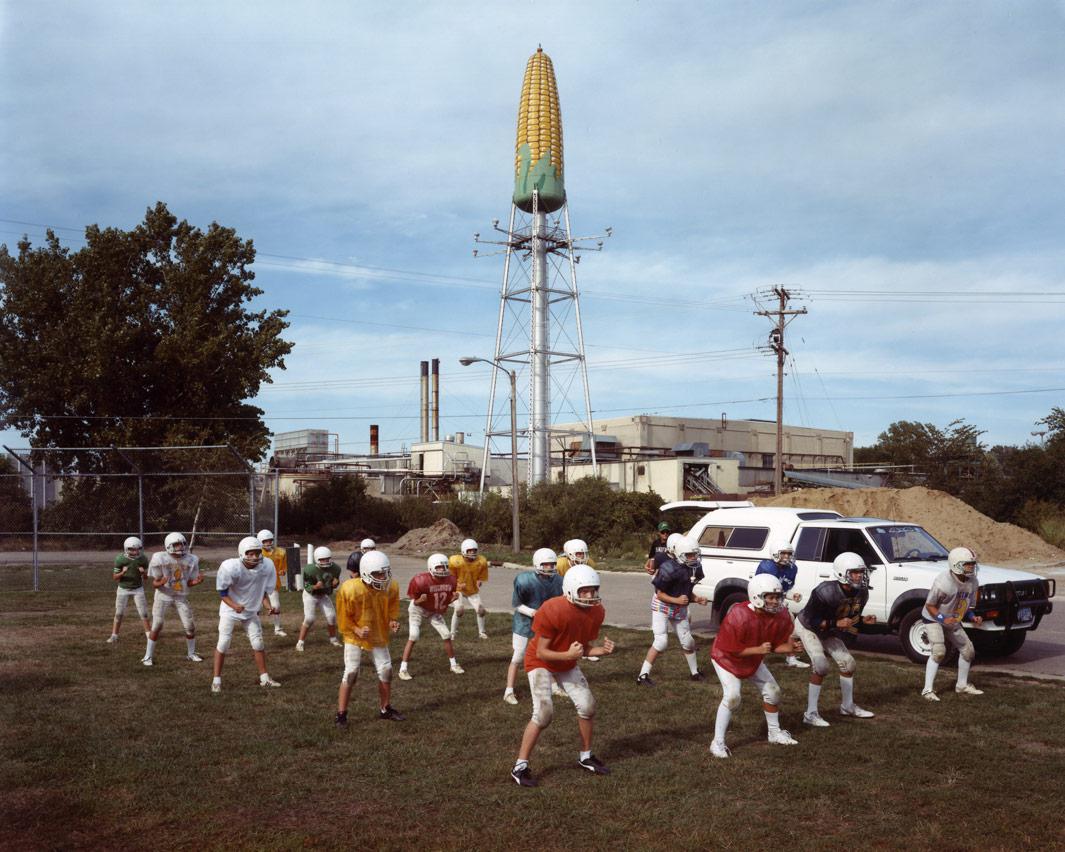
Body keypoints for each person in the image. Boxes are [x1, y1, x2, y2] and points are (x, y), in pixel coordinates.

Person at [510, 564, 615, 787]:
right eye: (584, 591)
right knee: (544, 714)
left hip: (566, 660)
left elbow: (584, 648)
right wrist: (568, 654)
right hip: (540, 661)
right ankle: (520, 766)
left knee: (587, 706)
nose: (590, 595)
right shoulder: (553, 609)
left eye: (593, 590)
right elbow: (541, 651)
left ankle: (585, 756)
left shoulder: (597, 611)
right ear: (570, 590)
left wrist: (601, 651)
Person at [709, 574, 800, 757]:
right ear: (757, 596)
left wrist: (789, 648)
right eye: (771, 597)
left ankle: (774, 733)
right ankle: (717, 743)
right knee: (733, 696)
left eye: (778, 597)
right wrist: (758, 650)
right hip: (726, 658)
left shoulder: (780, 615)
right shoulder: (738, 615)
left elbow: (774, 646)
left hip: (752, 657)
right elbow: (732, 650)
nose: (776, 602)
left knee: (773, 692)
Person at [794, 552, 877, 727]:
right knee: (821, 665)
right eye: (854, 572)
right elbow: (811, 620)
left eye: (861, 572)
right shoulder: (825, 591)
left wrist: (863, 621)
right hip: (808, 626)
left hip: (830, 627)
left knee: (848, 663)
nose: (859, 576)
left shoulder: (862, 592)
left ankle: (847, 706)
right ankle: (810, 713)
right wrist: (835, 623)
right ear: (841, 573)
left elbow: (850, 618)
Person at [334, 550, 404, 725]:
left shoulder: (391, 586)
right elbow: (343, 617)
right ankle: (341, 714)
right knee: (351, 673)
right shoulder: (350, 589)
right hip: (355, 636)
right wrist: (356, 629)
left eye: (384, 572)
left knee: (387, 671)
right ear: (365, 572)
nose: (382, 577)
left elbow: (391, 608)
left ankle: (385, 708)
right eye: (377, 574)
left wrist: (392, 621)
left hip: (377, 632)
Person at [211, 536, 281, 693]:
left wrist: (268, 607)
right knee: (223, 643)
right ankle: (216, 680)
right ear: (242, 553)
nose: (255, 557)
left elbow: (261, 591)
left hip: (250, 611)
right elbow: (222, 593)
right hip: (230, 610)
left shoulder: (266, 566)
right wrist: (235, 606)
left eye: (257, 553)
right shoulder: (231, 567)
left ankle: (264, 679)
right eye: (250, 553)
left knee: (258, 643)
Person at [637, 535, 708, 685]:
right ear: (680, 554)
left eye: (695, 554)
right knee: (661, 641)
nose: (693, 558)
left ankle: (695, 672)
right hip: (662, 606)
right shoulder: (668, 568)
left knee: (688, 641)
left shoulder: (695, 568)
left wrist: (697, 598)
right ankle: (642, 675)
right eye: (689, 555)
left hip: (678, 606)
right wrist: (677, 600)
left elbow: (686, 590)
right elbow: (660, 594)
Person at [921, 546, 984, 700]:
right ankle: (927, 690)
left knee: (968, 651)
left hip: (952, 618)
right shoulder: (944, 582)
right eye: (968, 564)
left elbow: (966, 605)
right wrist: (943, 619)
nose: (972, 567)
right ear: (956, 564)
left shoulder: (972, 581)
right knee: (939, 652)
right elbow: (930, 605)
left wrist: (972, 616)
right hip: (933, 618)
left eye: (972, 564)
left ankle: (961, 685)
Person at [504, 547, 564, 705]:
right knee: (518, 657)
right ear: (537, 564)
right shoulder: (525, 580)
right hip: (524, 624)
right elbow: (516, 604)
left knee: (548, 654)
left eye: (552, 564)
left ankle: (553, 685)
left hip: (545, 625)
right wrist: (533, 612)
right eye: (546, 564)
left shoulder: (559, 580)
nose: (550, 568)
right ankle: (508, 690)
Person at [142, 532, 204, 666]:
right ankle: (148, 656)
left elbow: (188, 583)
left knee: (190, 626)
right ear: (168, 546)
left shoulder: (191, 559)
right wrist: (162, 581)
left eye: (181, 544)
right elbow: (154, 584)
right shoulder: (160, 558)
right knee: (157, 625)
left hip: (180, 596)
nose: (180, 547)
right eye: (176, 545)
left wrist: (197, 582)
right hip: (164, 595)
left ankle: (191, 653)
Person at [399, 553, 462, 680]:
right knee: (414, 635)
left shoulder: (451, 580)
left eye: (445, 567)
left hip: (434, 610)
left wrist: (452, 599)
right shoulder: (420, 580)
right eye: (439, 567)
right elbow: (415, 602)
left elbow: (443, 602)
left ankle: (453, 664)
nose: (443, 570)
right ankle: (403, 669)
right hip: (418, 609)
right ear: (431, 567)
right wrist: (420, 600)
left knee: (446, 634)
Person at [754, 541, 810, 668]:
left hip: (777, 601)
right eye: (783, 553)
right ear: (775, 553)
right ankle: (756, 657)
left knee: (789, 624)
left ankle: (791, 657)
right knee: (761, 630)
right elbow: (762, 589)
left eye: (789, 553)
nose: (786, 556)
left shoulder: (792, 568)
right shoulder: (767, 567)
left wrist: (791, 595)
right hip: (763, 601)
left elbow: (783, 589)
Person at [295, 546, 342, 651]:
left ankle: (333, 639)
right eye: (322, 559)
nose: (325, 561)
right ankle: (300, 642)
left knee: (332, 616)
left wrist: (336, 583)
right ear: (316, 559)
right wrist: (315, 587)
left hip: (323, 595)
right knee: (309, 618)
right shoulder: (310, 569)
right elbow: (306, 586)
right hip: (310, 595)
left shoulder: (336, 568)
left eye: (327, 559)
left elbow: (334, 584)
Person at [107, 536, 151, 643]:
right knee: (119, 613)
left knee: (143, 613)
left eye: (138, 549)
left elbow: (146, 578)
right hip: (123, 588)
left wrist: (143, 573)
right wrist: (122, 572)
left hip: (137, 588)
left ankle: (149, 635)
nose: (136, 551)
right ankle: (114, 635)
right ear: (127, 549)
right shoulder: (120, 559)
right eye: (133, 549)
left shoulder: (143, 559)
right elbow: (115, 577)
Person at [449, 538, 489, 640]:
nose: (472, 553)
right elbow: (450, 578)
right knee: (459, 610)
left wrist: (479, 580)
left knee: (481, 610)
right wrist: (457, 584)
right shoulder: (456, 561)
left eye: (474, 551)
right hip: (458, 589)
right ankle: (452, 633)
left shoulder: (481, 561)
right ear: (463, 551)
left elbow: (481, 576)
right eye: (470, 551)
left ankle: (482, 632)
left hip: (472, 590)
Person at [258, 529, 288, 637]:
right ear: (260, 541)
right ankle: (255, 629)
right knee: (257, 607)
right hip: (259, 582)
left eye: (270, 540)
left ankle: (277, 628)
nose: (268, 543)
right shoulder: (257, 553)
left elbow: (283, 569)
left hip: (273, 582)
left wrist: (282, 571)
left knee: (276, 605)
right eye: (265, 541)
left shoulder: (280, 552)